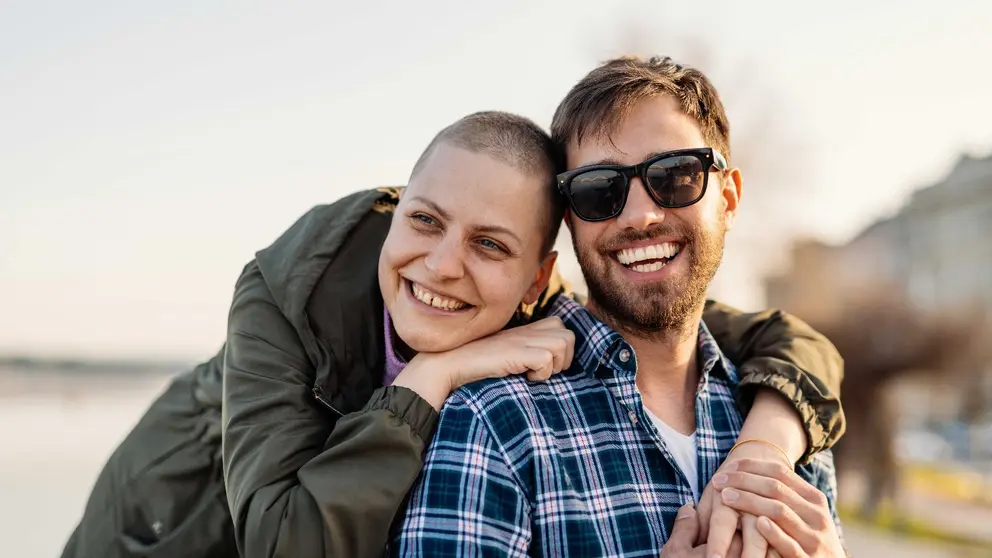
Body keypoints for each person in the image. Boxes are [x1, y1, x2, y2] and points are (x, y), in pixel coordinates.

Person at [61, 112, 844, 558]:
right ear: (398, 205)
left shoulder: (550, 310)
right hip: (170, 522)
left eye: (490, 245)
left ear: (539, 279)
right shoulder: (288, 290)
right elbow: (284, 543)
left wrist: (762, 447)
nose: (441, 266)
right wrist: (431, 379)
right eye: (425, 221)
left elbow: (783, 339)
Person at [389, 57, 848, 558]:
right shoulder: (493, 424)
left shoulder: (788, 429)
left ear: (729, 199)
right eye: (599, 189)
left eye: (674, 176)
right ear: (571, 221)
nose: (641, 215)